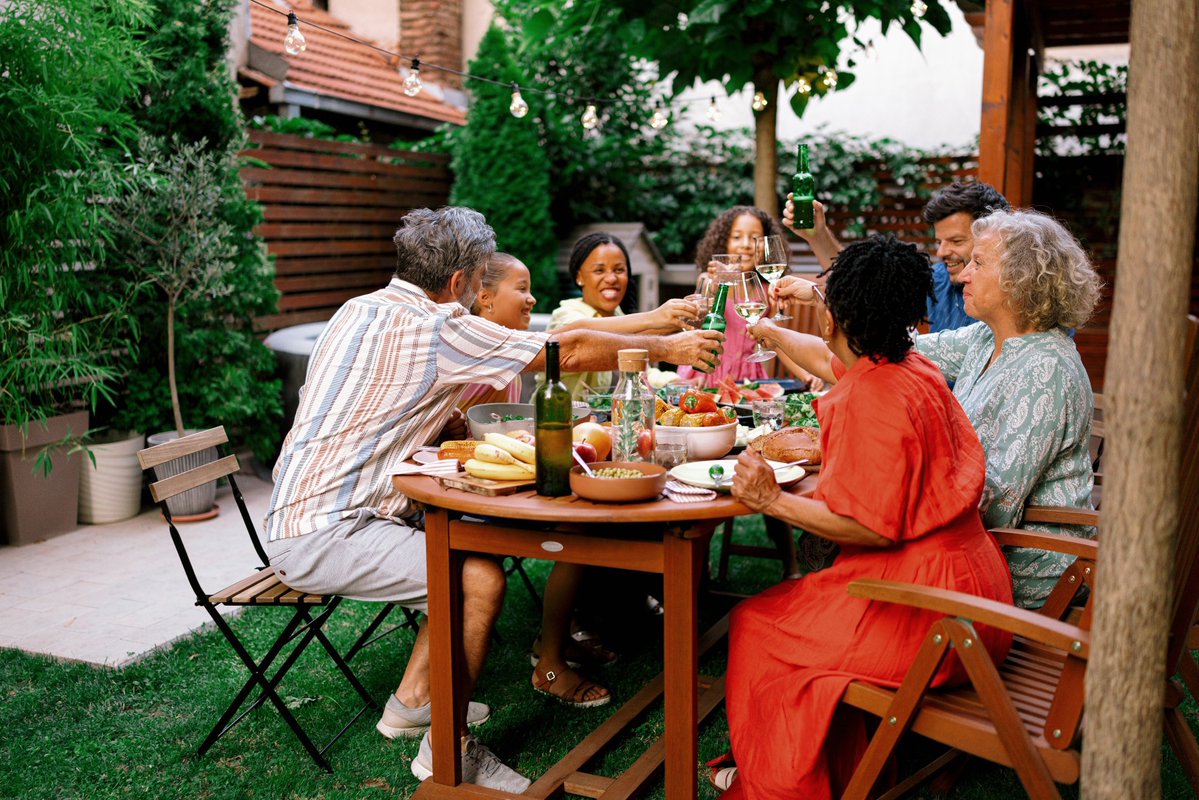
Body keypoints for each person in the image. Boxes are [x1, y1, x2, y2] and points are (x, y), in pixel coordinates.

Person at [263, 207, 722, 791]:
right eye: (478, 280)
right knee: (476, 577)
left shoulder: (364, 307)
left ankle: (412, 705)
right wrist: (667, 344)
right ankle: (446, 754)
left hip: (309, 509)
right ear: (458, 285)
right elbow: (567, 351)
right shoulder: (435, 326)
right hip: (326, 531)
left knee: (459, 548)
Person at [716, 234, 1014, 799]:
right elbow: (829, 363)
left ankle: (785, 784)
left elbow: (872, 529)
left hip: (933, 619)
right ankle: (834, 765)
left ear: (833, 317)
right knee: (783, 612)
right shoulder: (909, 365)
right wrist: (769, 331)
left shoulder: (868, 397)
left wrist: (770, 501)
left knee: (758, 625)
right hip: (980, 595)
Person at [764, 209, 1101, 609]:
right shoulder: (985, 338)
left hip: (1026, 567)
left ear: (1020, 278)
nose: (962, 275)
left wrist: (893, 510)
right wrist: (815, 304)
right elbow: (872, 349)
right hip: (973, 540)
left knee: (857, 528)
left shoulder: (1047, 369)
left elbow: (995, 502)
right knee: (850, 526)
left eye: (979, 262)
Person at [783, 181, 1010, 334]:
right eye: (939, 241)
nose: (941, 252)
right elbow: (865, 288)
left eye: (956, 241)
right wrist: (818, 236)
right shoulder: (940, 278)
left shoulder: (1015, 295)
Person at [676, 206, 824, 390]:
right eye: (737, 237)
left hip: (747, 379)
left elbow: (777, 341)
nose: (746, 244)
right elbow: (695, 322)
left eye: (754, 238)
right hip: (707, 375)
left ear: (766, 246)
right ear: (724, 242)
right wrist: (714, 286)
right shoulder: (708, 280)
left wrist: (806, 374)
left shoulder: (766, 290)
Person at [548, 232, 700, 399]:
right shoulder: (565, 314)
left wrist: (677, 381)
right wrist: (654, 318)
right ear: (579, 276)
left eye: (619, 270)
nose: (612, 278)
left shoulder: (621, 315)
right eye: (599, 270)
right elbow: (583, 337)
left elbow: (642, 373)